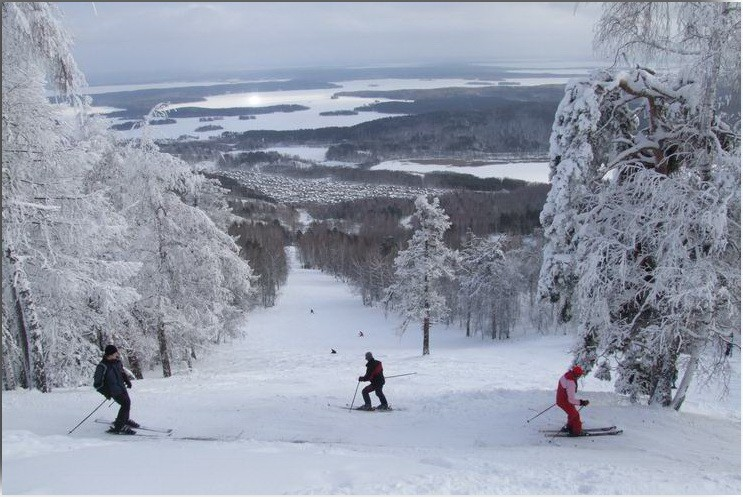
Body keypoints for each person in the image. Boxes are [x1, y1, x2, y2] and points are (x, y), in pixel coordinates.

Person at [93, 345, 139, 434]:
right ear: (109, 354)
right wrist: (106, 392)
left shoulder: (117, 362)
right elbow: (97, 384)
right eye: (115, 353)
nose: (117, 354)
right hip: (113, 390)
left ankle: (124, 420)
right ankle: (119, 426)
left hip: (121, 387)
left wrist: (127, 381)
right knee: (125, 403)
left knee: (127, 402)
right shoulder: (102, 366)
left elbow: (121, 372)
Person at [556, 365, 589, 436]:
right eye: (580, 375)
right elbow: (571, 400)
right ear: (577, 374)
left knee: (572, 413)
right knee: (576, 415)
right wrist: (582, 402)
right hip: (564, 401)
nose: (580, 376)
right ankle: (577, 431)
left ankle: (570, 427)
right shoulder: (571, 383)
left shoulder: (566, 375)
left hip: (561, 399)